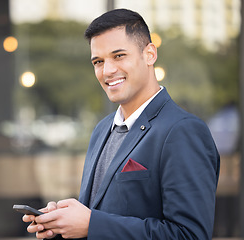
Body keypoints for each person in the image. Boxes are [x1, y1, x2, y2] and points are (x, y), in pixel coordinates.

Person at [22, 8, 220, 239]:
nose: (107, 71)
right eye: (98, 61)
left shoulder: (183, 131)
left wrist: (91, 224)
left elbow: (190, 235)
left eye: (119, 56)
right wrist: (63, 226)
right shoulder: (102, 129)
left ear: (150, 54)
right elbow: (100, 219)